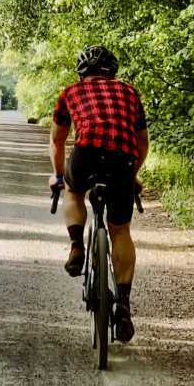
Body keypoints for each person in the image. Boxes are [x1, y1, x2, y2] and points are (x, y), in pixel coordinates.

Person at [49, 45, 149, 343]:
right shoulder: (130, 93)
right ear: (113, 71)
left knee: (73, 189)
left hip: (86, 154)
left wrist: (57, 175)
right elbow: (142, 142)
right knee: (121, 230)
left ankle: (77, 246)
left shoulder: (70, 92)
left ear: (82, 73)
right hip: (123, 159)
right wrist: (134, 174)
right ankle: (123, 308)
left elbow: (57, 140)